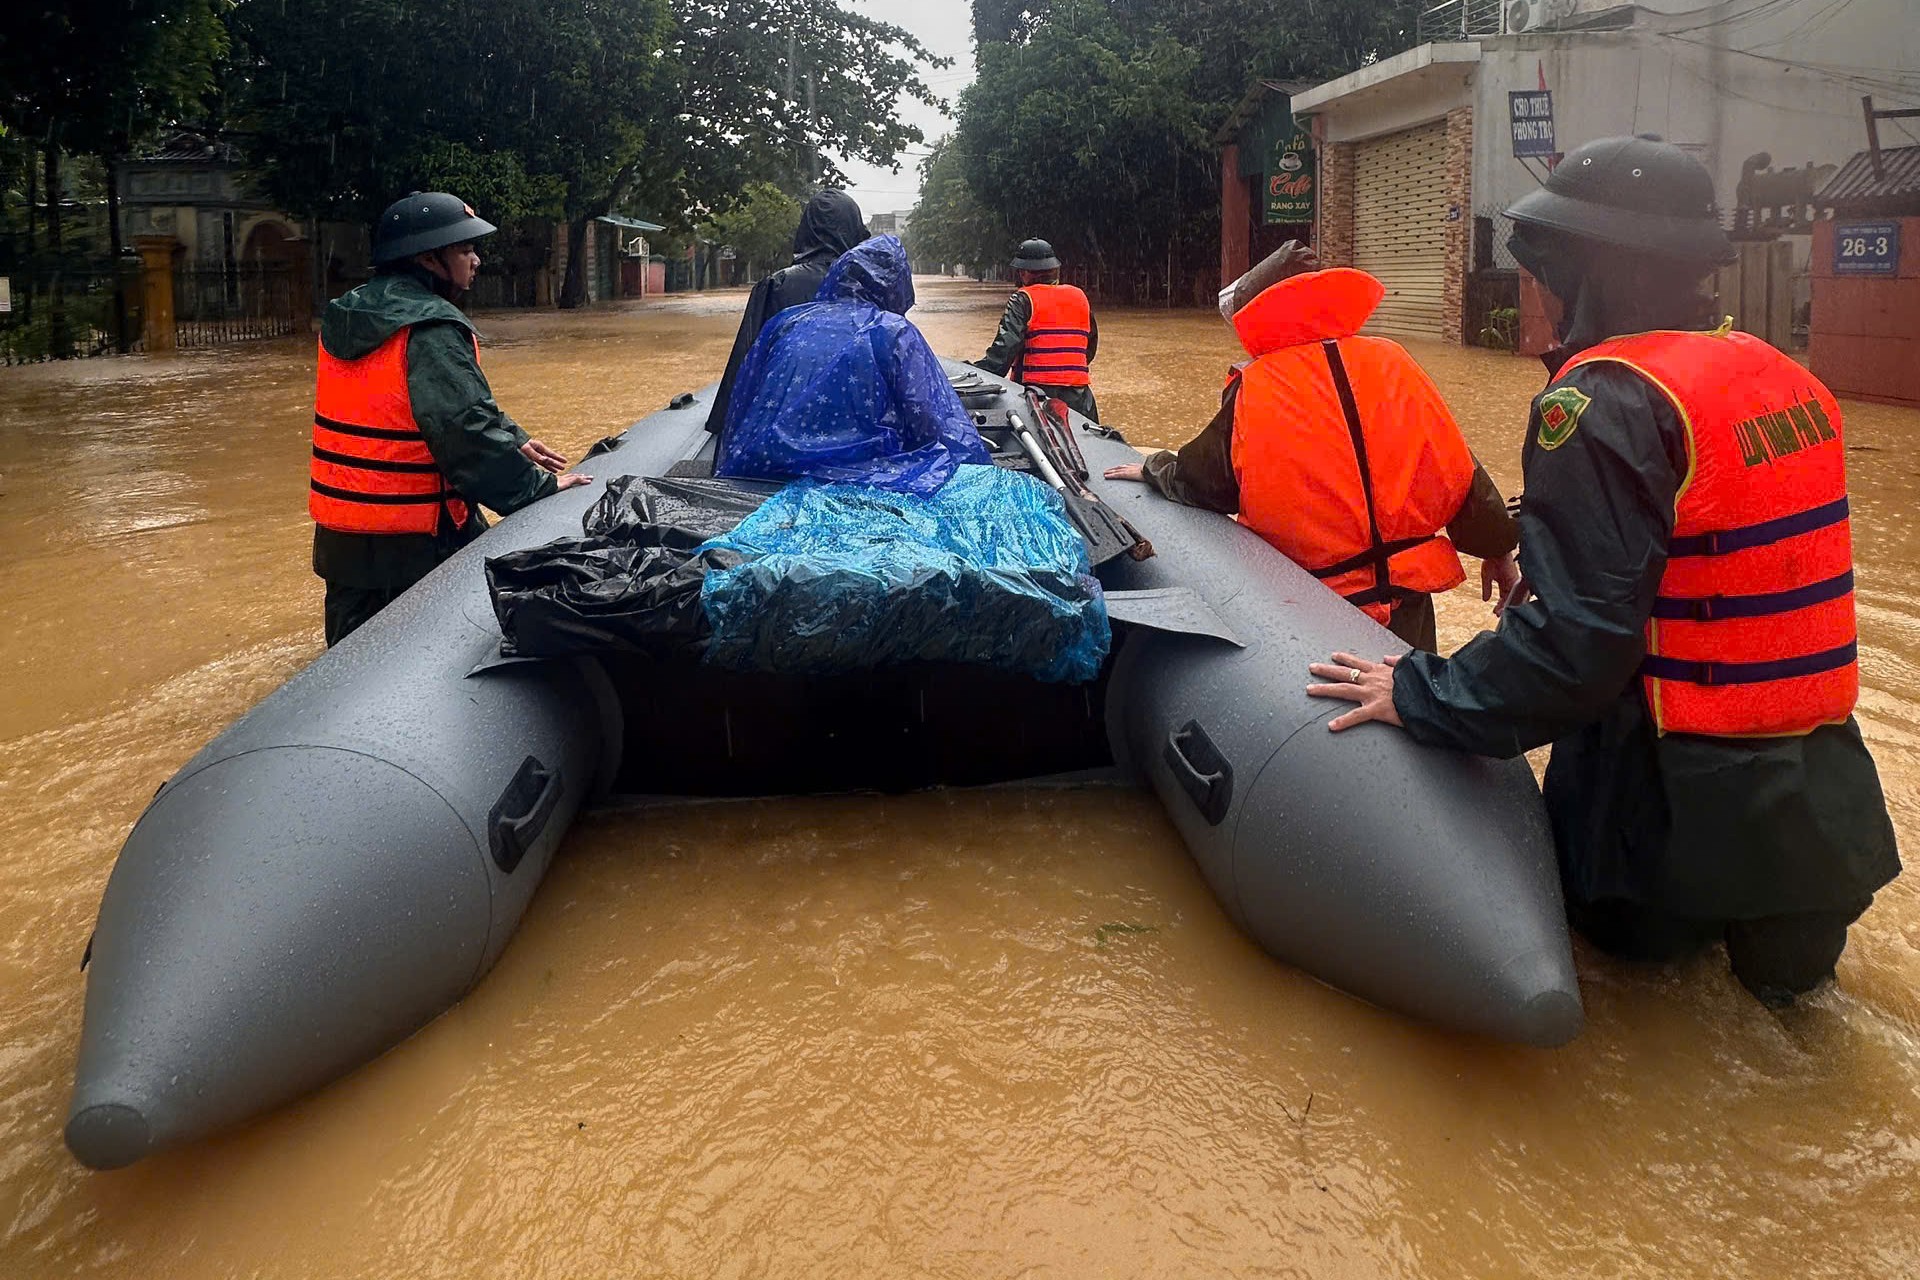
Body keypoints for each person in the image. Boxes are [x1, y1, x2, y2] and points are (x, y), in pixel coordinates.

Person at [1305, 135, 1900, 1007]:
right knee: (1795, 1022)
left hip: (1663, 814)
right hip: (1818, 810)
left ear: (1587, 276)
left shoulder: (1599, 399)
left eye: (1537, 270)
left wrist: (1423, 692)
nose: (1525, 295)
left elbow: (1573, 651)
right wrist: (1534, 531)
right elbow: (1710, 537)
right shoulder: (1782, 377)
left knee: (1627, 1006)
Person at [1104, 242, 1520, 653]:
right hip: (1407, 607)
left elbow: (1205, 483)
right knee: (1407, 709)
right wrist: (1498, 549)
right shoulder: (1394, 361)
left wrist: (1154, 467)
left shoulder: (1257, 386)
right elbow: (1457, 468)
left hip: (1312, 610)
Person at [311, 191, 591, 646]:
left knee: (348, 664)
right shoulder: (430, 326)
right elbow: (463, 430)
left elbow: (404, 402)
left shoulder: (351, 313)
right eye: (464, 249)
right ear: (428, 258)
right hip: (418, 539)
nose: (476, 260)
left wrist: (513, 436)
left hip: (344, 539)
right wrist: (536, 489)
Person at [716, 234, 990, 495]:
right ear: (897, 286)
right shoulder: (892, 331)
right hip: (860, 477)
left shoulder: (784, 321)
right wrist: (979, 470)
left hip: (761, 467)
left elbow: (741, 403)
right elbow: (930, 424)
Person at [706, 189, 869, 435]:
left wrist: (722, 420)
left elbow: (746, 360)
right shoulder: (871, 283)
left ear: (805, 230)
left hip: (786, 424)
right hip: (859, 422)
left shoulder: (777, 285)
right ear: (855, 227)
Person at [973, 239, 1101, 423]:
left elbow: (1004, 351)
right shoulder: (1079, 296)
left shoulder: (1022, 299)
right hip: (1080, 397)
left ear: (1024, 273)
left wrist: (977, 372)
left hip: (1036, 394)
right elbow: (1089, 348)